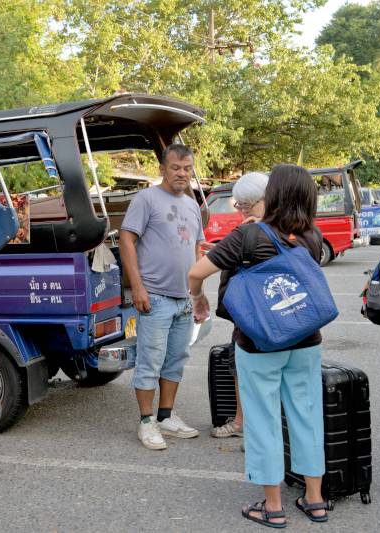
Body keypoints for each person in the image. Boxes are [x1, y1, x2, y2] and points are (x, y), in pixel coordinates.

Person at [189, 165, 329, 527]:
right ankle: (314, 500)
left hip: (258, 344)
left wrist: (198, 298)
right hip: (306, 340)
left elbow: (196, 272)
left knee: (263, 421)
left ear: (275, 194)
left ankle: (273, 506)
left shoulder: (247, 236)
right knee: (307, 416)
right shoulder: (312, 236)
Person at [119, 143, 205, 450]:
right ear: (162, 169)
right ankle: (146, 423)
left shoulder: (193, 204)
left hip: (183, 299)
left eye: (187, 168)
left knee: (176, 361)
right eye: (175, 168)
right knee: (150, 362)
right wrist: (137, 286)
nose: (182, 174)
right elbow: (126, 239)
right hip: (154, 296)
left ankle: (166, 417)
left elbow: (196, 250)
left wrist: (197, 294)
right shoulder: (146, 199)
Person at [209, 171, 269, 440]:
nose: (242, 211)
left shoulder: (257, 230)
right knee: (242, 367)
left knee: (245, 368)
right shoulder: (284, 227)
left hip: (256, 316)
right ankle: (248, 423)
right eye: (240, 205)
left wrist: (198, 295)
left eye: (246, 205)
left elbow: (198, 273)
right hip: (264, 316)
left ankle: (247, 425)